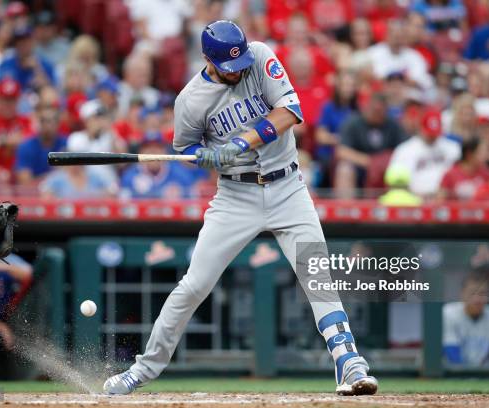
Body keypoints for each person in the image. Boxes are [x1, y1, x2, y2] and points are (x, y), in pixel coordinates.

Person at [103, 20, 378, 397]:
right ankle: (142, 371)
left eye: (240, 62)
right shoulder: (191, 99)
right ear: (207, 60)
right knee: (194, 285)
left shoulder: (260, 57)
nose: (238, 71)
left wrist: (243, 141)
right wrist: (200, 157)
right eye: (228, 67)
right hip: (235, 197)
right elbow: (184, 149)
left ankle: (349, 362)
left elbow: (290, 111)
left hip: (287, 187)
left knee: (317, 276)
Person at [336, 92, 407, 194]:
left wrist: (382, 163)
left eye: (380, 111)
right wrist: (370, 162)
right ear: (367, 107)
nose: (376, 113)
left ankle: (394, 206)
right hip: (359, 168)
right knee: (344, 169)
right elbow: (341, 151)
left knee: (401, 169)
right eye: (374, 110)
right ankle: (345, 208)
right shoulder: (353, 122)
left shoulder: (393, 125)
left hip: (385, 169)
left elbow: (404, 150)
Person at [443, 273, 489, 366]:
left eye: (482, 293)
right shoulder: (448, 313)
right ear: (462, 294)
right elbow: (451, 352)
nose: (477, 299)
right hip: (451, 375)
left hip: (486, 376)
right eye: (472, 293)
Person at [387, 108, 460, 197]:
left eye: (435, 133)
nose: (432, 137)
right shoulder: (405, 150)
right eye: (429, 134)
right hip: (414, 201)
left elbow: (460, 176)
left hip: (446, 199)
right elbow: (395, 182)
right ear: (421, 128)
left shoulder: (452, 147)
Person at [15, 107, 66, 185]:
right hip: (34, 195)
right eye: (43, 121)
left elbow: (74, 178)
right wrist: (54, 177)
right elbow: (25, 183)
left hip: (62, 194)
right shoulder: (26, 147)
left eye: (52, 121)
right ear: (38, 123)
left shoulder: (66, 144)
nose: (48, 125)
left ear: (58, 124)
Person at [0, 24, 56, 92]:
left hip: (36, 100)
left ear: (33, 42)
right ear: (15, 44)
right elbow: (0, 88)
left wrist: (37, 69)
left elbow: (52, 91)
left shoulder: (45, 64)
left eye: (26, 41)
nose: (23, 44)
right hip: (14, 99)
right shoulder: (6, 64)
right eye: (19, 41)